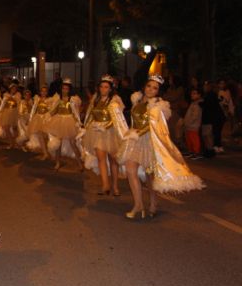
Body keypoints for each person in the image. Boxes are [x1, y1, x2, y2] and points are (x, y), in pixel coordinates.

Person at [118, 75, 204, 220]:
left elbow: (159, 128)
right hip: (134, 140)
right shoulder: (137, 100)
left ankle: (153, 203)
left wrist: (142, 134)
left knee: (150, 176)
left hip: (150, 142)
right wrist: (131, 133)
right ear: (144, 86)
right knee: (130, 170)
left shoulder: (159, 105)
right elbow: (134, 120)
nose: (151, 89)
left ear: (158, 91)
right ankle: (138, 205)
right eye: (149, 86)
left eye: (155, 88)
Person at [82, 75, 128, 196]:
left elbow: (117, 118)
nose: (103, 89)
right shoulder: (95, 99)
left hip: (111, 132)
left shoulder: (115, 100)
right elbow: (90, 115)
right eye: (101, 87)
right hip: (96, 132)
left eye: (106, 87)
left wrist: (105, 126)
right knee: (101, 159)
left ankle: (115, 186)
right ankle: (105, 185)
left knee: (113, 160)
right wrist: (85, 127)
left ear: (110, 89)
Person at [48, 78, 84, 171]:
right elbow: (54, 111)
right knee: (58, 144)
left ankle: (80, 163)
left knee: (73, 143)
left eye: (66, 89)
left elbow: (76, 112)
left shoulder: (72, 100)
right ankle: (58, 162)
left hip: (69, 122)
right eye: (63, 88)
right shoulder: (58, 99)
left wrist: (78, 122)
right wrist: (46, 116)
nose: (64, 90)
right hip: (59, 121)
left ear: (69, 90)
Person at [25, 85, 52, 160]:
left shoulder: (49, 100)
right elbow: (33, 110)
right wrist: (30, 120)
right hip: (38, 119)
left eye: (45, 91)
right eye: (42, 91)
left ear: (47, 92)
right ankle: (45, 153)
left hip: (46, 119)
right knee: (40, 135)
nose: (43, 93)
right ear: (40, 92)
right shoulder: (37, 99)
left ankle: (47, 151)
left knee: (46, 136)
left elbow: (50, 110)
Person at [0, 83, 22, 149]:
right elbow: (2, 104)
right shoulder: (6, 95)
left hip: (14, 112)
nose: (13, 90)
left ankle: (14, 143)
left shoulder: (18, 95)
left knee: (15, 128)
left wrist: (20, 113)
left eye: (15, 88)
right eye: (12, 88)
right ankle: (11, 142)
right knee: (6, 128)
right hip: (6, 112)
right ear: (10, 89)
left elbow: (18, 103)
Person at [184, 87, 203, 159]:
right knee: (189, 139)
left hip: (193, 125)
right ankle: (191, 151)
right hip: (189, 125)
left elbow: (195, 116)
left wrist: (188, 122)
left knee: (194, 139)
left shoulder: (198, 104)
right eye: (192, 94)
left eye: (194, 94)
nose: (192, 95)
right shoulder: (193, 103)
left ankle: (196, 152)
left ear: (199, 95)